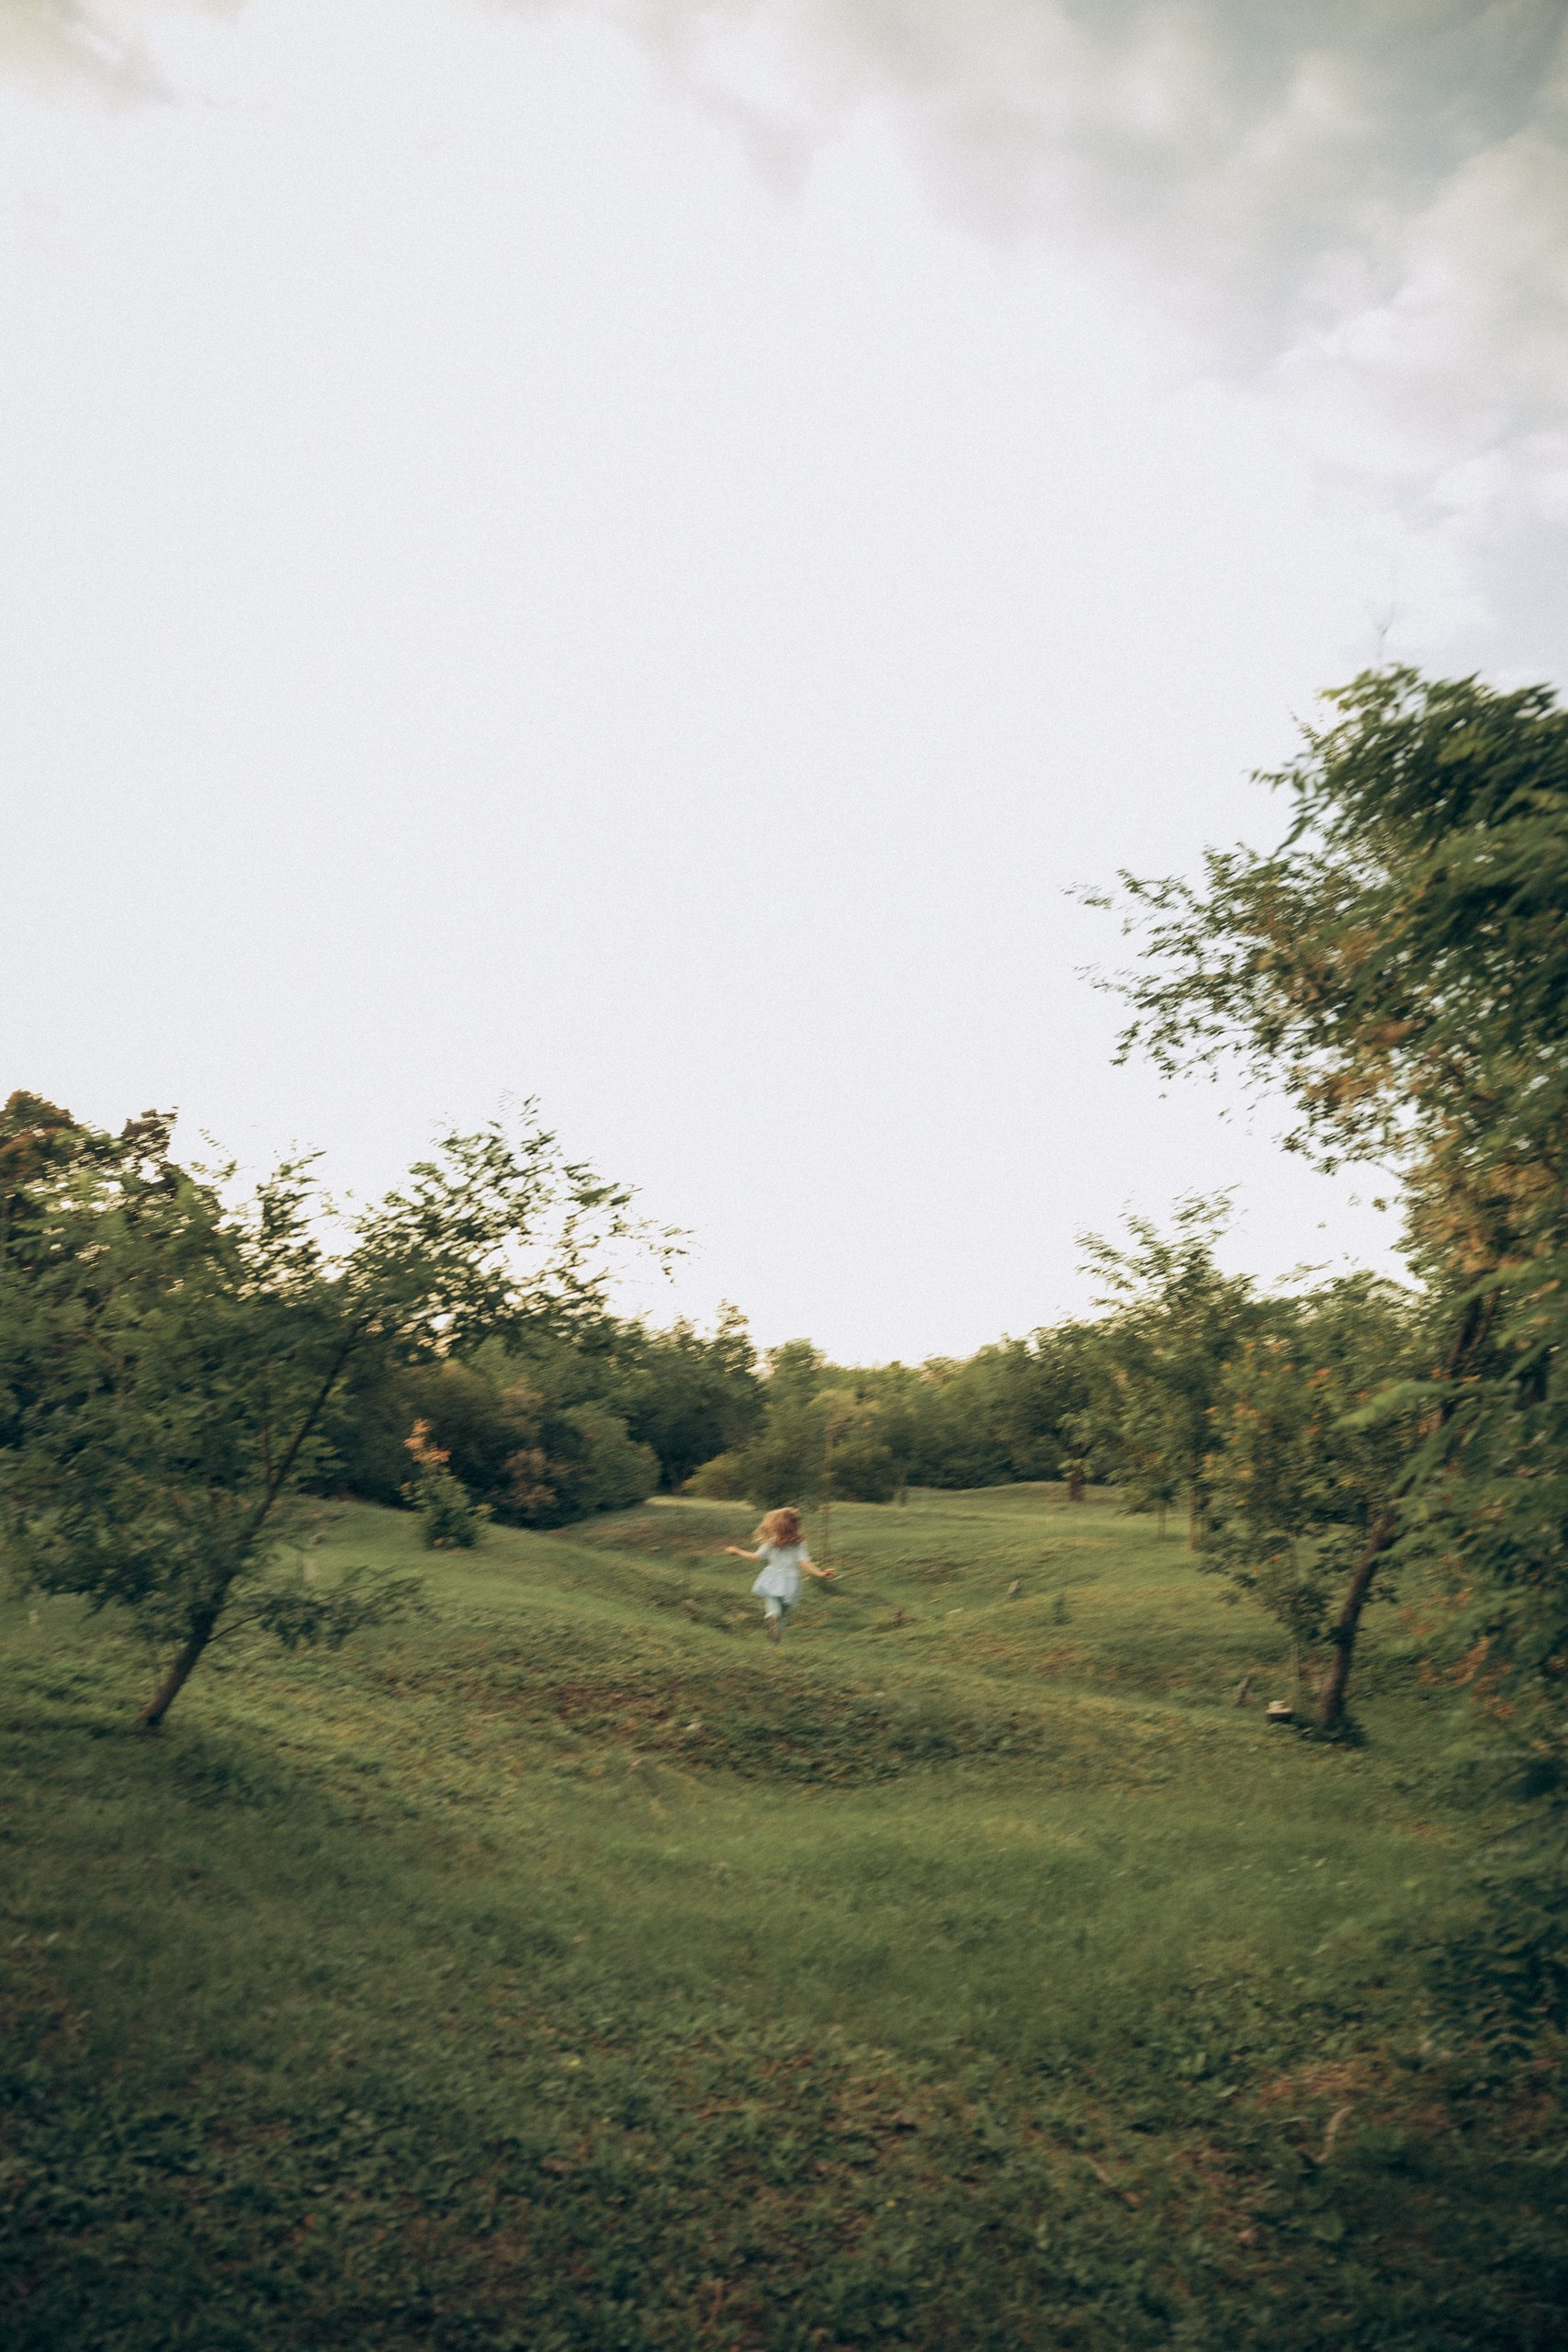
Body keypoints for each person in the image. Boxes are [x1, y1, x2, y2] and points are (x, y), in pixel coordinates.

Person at [725, 1507, 834, 1641]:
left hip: (773, 1577)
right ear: (795, 1525)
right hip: (792, 1580)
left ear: (774, 1524)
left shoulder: (771, 1542)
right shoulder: (799, 1544)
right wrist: (820, 1574)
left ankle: (772, 1615)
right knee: (784, 1612)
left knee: (772, 1601)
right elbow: (804, 1563)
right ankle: (777, 1641)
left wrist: (737, 1551)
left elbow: (756, 1557)